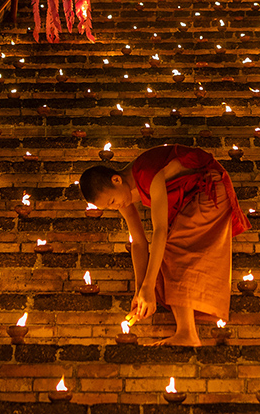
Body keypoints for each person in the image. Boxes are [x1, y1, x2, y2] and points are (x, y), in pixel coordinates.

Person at [78, 144, 250, 346]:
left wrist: (149, 286)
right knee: (165, 256)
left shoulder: (148, 173)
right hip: (189, 197)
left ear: (116, 180)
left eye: (112, 201)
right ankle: (187, 332)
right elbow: (139, 242)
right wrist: (140, 289)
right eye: (110, 207)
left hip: (209, 187)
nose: (116, 207)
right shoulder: (123, 197)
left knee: (171, 248)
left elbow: (160, 231)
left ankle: (187, 333)